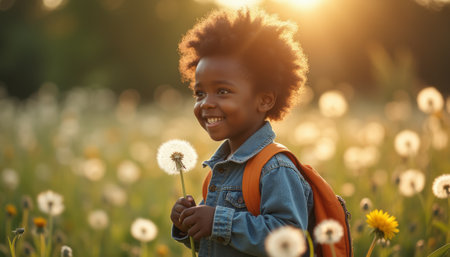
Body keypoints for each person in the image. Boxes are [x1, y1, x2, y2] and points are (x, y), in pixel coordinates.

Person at [170, 8, 312, 257]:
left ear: (265, 100)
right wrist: (188, 224)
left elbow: (289, 241)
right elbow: (220, 243)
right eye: (200, 93)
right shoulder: (221, 169)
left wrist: (217, 222)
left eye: (222, 91)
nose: (206, 103)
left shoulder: (276, 168)